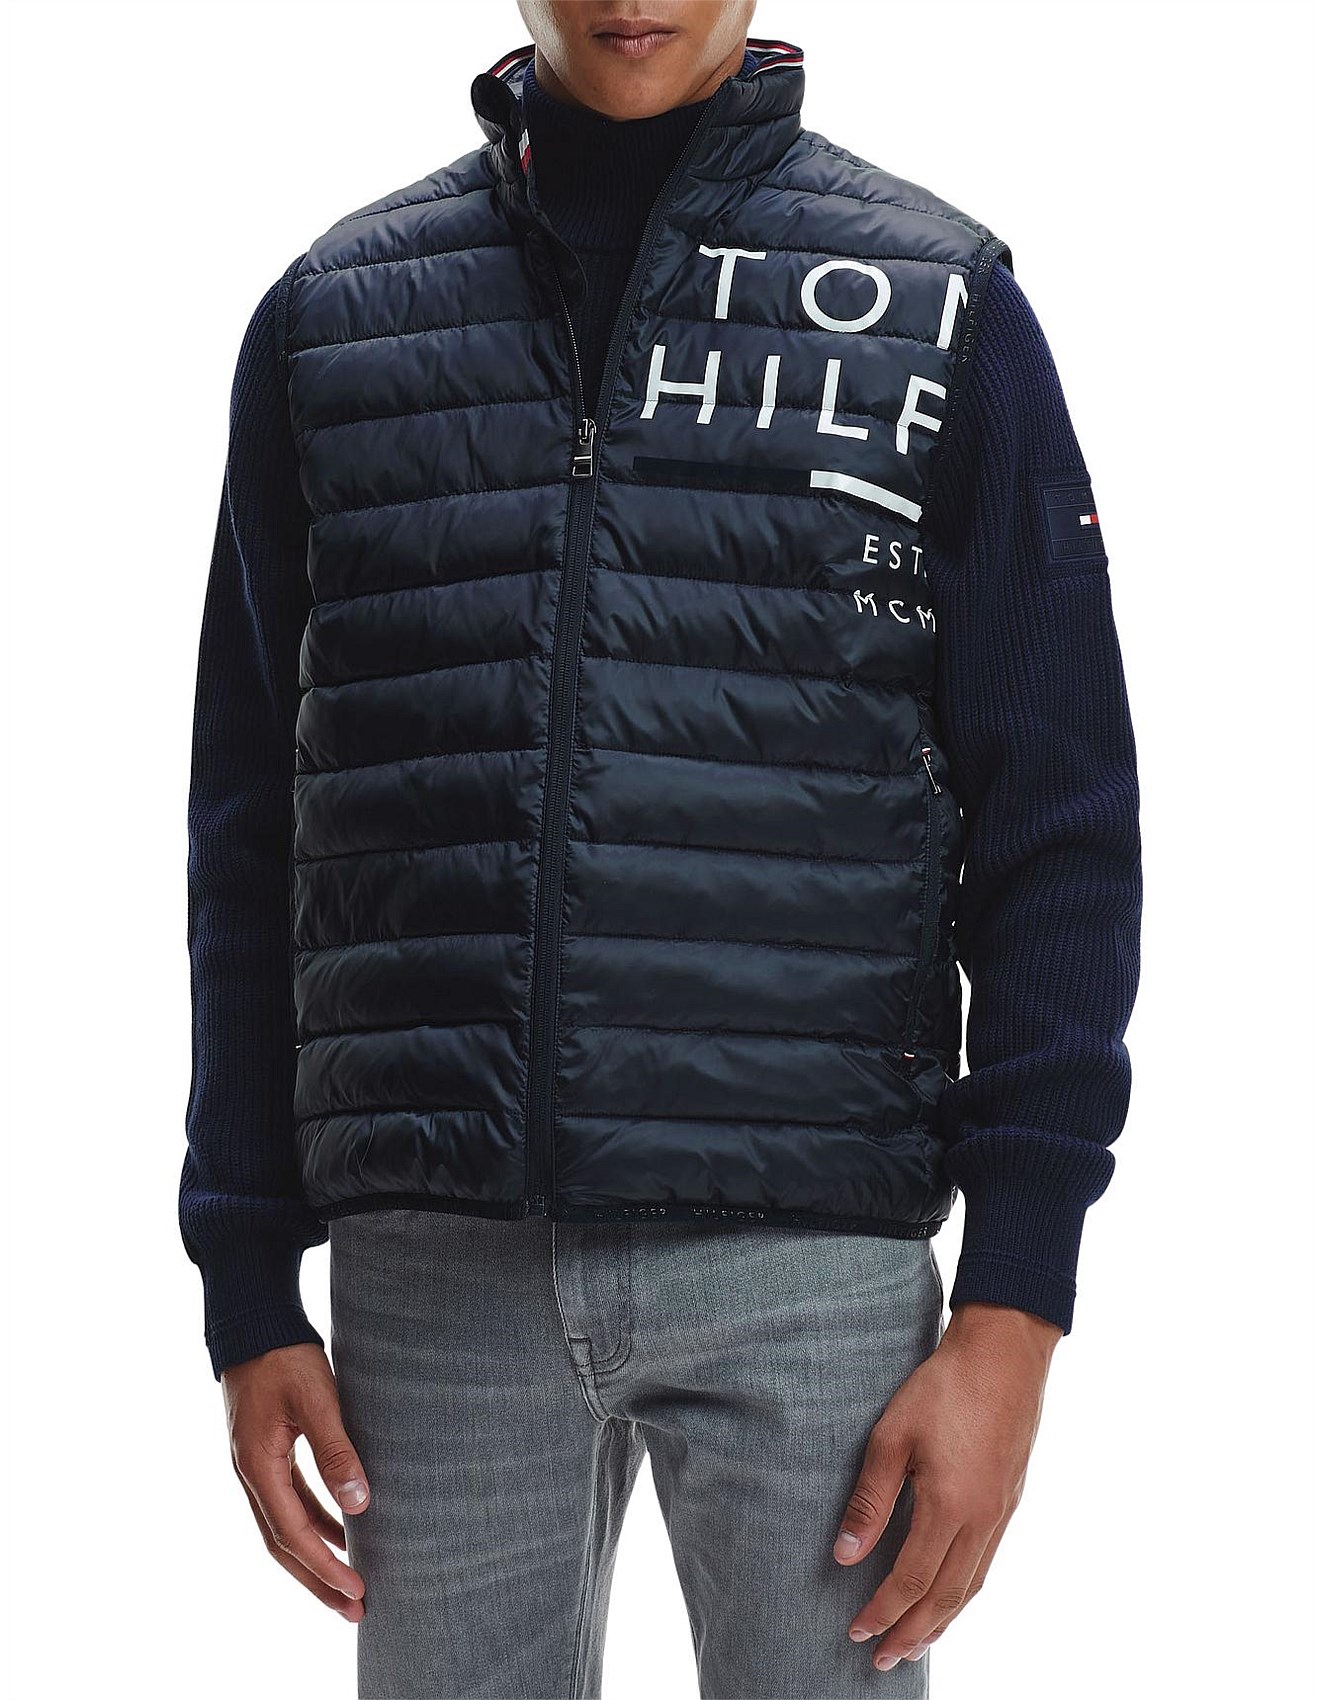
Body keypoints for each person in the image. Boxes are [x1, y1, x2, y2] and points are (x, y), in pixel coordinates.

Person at [180, 3, 1142, 1694]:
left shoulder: (939, 306)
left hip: (809, 1256)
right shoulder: (333, 320)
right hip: (437, 1267)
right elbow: (253, 817)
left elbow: (1058, 819)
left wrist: (1017, 1303)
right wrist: (246, 1274)